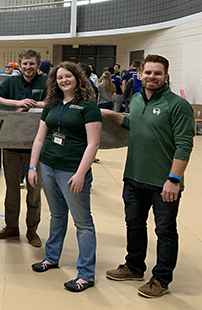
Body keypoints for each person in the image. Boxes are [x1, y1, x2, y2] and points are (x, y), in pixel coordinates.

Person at [102, 55, 195, 298]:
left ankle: (161, 279)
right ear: (140, 75)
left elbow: (184, 145)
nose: (152, 77)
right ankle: (134, 267)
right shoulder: (134, 99)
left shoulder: (177, 105)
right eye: (148, 73)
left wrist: (174, 179)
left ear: (166, 76)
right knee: (134, 224)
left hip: (163, 182)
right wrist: (114, 116)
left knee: (164, 231)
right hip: (134, 176)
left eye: (158, 73)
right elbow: (137, 124)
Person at [28, 62, 101, 292]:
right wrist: (32, 168)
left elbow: (93, 143)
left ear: (77, 78)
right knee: (57, 215)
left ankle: (86, 274)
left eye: (68, 76)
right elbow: (40, 138)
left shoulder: (88, 105)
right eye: (60, 77)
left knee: (83, 223)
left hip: (72, 170)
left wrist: (80, 173)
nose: (64, 81)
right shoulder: (51, 104)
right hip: (48, 166)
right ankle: (51, 257)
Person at [0, 49, 47, 246]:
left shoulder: (46, 82)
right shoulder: (11, 82)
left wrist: (32, 105)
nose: (28, 67)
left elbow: (55, 103)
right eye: (25, 64)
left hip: (36, 147)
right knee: (11, 189)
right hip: (12, 144)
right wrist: (17, 102)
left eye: (32, 64)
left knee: (34, 190)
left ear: (38, 65)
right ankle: (11, 226)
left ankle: (32, 230)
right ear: (19, 65)